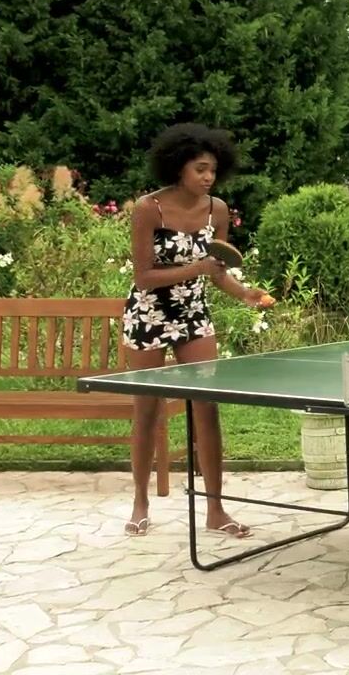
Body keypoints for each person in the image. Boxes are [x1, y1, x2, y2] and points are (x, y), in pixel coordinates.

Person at [121, 123, 271, 538]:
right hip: (149, 314)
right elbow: (144, 276)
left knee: (208, 408)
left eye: (213, 170)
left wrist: (244, 293)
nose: (208, 177)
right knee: (147, 411)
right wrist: (197, 269)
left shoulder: (216, 210)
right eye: (200, 169)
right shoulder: (148, 208)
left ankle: (216, 510)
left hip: (194, 315)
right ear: (179, 167)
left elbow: (217, 271)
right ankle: (140, 502)